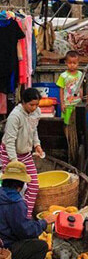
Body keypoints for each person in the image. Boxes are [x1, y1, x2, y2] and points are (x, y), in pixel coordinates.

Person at [0, 161, 48, 259]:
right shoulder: (16, 203)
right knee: (41, 246)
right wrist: (44, 222)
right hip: (5, 248)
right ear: (20, 185)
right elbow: (25, 231)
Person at [1, 87, 43, 216]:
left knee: (33, 186)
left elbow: (34, 129)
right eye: (31, 105)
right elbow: (10, 141)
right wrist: (14, 162)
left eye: (37, 105)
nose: (34, 108)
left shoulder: (36, 112)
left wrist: (37, 144)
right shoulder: (15, 116)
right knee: (9, 189)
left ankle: (26, 216)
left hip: (25, 154)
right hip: (9, 154)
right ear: (23, 102)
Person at [57, 51, 84, 125]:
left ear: (78, 63)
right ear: (66, 62)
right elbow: (61, 90)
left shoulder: (80, 74)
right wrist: (62, 103)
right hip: (67, 104)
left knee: (77, 123)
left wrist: (81, 96)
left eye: (74, 63)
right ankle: (67, 136)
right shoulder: (63, 76)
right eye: (70, 63)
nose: (72, 65)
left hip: (77, 104)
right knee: (66, 123)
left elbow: (80, 86)